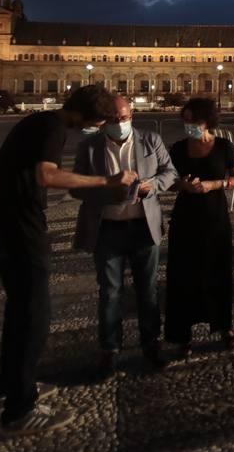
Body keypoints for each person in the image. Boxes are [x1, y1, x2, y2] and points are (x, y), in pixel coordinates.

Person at [0, 84, 130, 434]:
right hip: (20, 228)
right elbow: (45, 175)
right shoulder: (51, 128)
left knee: (20, 310)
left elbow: (3, 174)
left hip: (6, 223)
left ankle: (13, 383)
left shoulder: (37, 123)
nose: (98, 127)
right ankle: (19, 410)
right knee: (34, 315)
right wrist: (106, 181)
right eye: (99, 121)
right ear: (90, 115)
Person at [70, 94, 177, 379]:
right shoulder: (89, 146)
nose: (121, 123)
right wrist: (107, 190)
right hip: (107, 229)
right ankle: (109, 350)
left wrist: (151, 186)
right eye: (116, 119)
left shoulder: (150, 140)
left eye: (126, 117)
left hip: (144, 226)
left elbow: (170, 173)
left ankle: (151, 344)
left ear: (133, 116)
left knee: (148, 289)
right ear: (105, 120)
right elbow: (75, 188)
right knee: (109, 292)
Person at [165, 98, 234, 356]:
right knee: (182, 274)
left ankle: (223, 325)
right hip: (186, 217)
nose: (189, 126)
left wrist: (214, 185)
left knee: (218, 269)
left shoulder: (223, 146)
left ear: (208, 121)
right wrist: (182, 185)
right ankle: (181, 333)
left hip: (215, 216)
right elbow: (167, 181)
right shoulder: (178, 148)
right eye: (186, 121)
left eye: (194, 121)